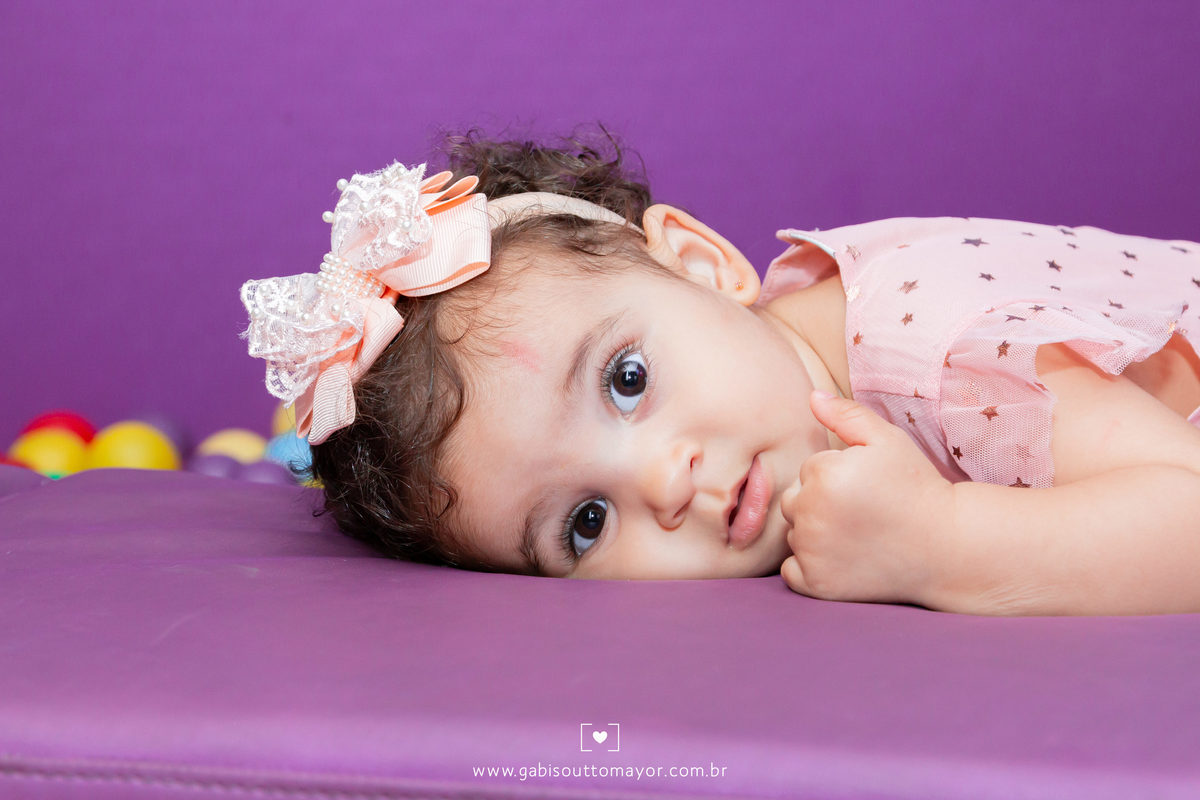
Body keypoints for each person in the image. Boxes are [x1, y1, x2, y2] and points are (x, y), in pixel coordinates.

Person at [240, 130, 1200, 617]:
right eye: (585, 524)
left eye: (625, 380)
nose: (664, 482)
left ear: (703, 266)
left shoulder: (936, 351)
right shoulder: (793, 372)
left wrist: (942, 544)